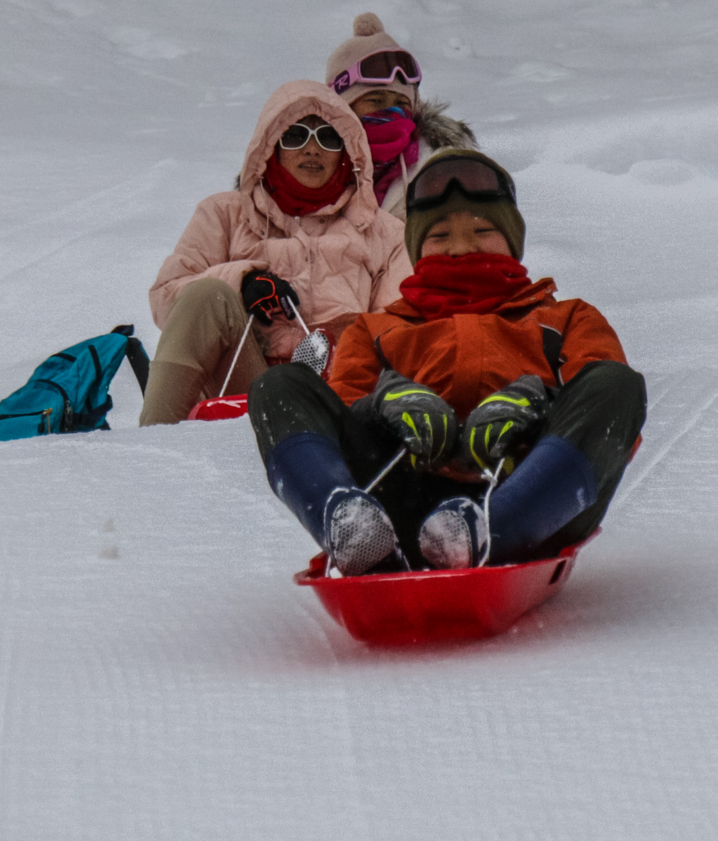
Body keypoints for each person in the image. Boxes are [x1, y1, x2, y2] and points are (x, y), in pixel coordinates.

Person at [248, 149, 647, 575]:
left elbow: (610, 428)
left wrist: (538, 405)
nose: (462, 247)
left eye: (483, 230)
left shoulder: (566, 319)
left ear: (513, 242)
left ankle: (489, 530)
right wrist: (384, 407)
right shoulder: (376, 329)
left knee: (615, 383)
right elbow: (341, 420)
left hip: (535, 500)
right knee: (278, 386)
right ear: (417, 249)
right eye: (439, 237)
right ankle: (349, 523)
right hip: (400, 503)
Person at [140, 81, 410, 426]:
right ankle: (153, 442)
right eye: (295, 136)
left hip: (339, 393)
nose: (312, 149)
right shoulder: (224, 214)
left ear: (346, 152)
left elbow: (398, 330)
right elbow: (166, 297)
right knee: (206, 294)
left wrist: (340, 342)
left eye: (328, 138)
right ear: (270, 148)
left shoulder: (384, 232)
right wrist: (243, 282)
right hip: (243, 380)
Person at [325, 13, 477, 217]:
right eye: (375, 101)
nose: (391, 112)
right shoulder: (314, 164)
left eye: (401, 104)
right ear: (343, 107)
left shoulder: (440, 169)